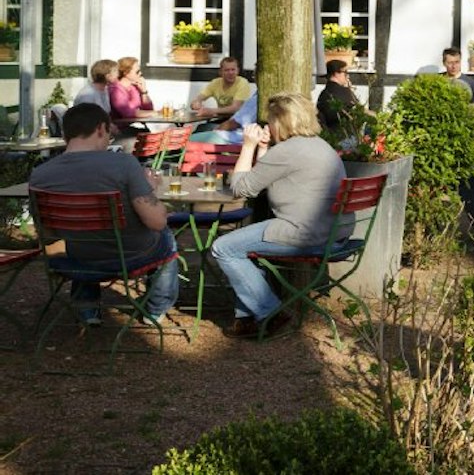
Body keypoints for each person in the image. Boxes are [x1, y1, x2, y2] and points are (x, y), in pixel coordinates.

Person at [28, 104, 181, 327]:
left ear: (65, 133)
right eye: (109, 131)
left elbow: (44, 230)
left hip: (67, 260)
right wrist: (150, 189)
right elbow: (156, 222)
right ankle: (154, 309)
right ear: (101, 129)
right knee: (166, 235)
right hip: (126, 257)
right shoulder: (124, 164)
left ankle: (87, 308)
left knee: (74, 237)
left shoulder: (40, 174)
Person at [209, 92, 344, 338]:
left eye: (270, 120)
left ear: (281, 121)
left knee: (224, 247)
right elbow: (264, 179)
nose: (268, 126)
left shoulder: (288, 150)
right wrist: (263, 149)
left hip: (303, 233)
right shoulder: (318, 145)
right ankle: (246, 320)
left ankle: (271, 313)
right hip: (333, 231)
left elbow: (241, 189)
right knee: (243, 250)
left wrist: (247, 146)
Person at [191, 57, 258, 145]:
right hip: (224, 122)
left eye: (233, 70)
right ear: (220, 72)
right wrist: (196, 102)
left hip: (232, 127)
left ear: (238, 71)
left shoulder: (242, 83)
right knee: (201, 128)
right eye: (227, 70)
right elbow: (199, 98)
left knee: (201, 131)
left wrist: (211, 111)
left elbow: (235, 108)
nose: (230, 73)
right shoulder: (215, 83)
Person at [315, 59, 364, 137]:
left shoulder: (324, 93)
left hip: (329, 136)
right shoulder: (342, 92)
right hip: (345, 136)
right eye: (345, 72)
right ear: (336, 74)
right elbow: (358, 111)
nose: (348, 76)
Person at [441, 46, 474, 111]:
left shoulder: (469, 82)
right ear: (444, 63)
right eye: (450, 63)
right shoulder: (437, 80)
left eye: (457, 62)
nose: (454, 66)